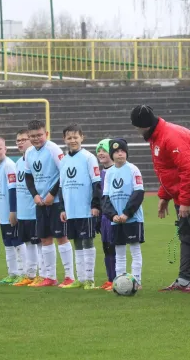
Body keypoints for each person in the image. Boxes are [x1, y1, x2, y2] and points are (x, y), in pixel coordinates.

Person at [130, 105, 190, 293]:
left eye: (137, 127)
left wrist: (186, 201)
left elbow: (188, 171)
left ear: (145, 125)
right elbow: (167, 170)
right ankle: (183, 280)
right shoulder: (157, 135)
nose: (137, 130)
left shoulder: (170, 137)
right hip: (182, 194)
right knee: (186, 236)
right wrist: (164, 196)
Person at [24, 120, 73, 287]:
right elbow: (28, 176)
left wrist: (53, 194)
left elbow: (64, 173)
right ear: (28, 137)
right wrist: (35, 195)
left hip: (56, 202)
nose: (36, 138)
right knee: (45, 238)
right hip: (40, 203)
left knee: (62, 237)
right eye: (32, 136)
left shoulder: (53, 149)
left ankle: (69, 276)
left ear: (46, 134)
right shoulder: (29, 152)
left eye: (39, 135)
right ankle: (50, 277)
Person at [59, 124, 102, 290]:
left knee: (87, 241)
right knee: (76, 242)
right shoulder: (63, 160)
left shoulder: (89, 158)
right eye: (69, 138)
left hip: (86, 209)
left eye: (75, 137)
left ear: (82, 137)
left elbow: (96, 182)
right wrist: (62, 208)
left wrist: (95, 205)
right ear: (65, 140)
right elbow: (62, 186)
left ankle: (90, 279)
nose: (73, 140)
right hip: (70, 210)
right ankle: (80, 278)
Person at [102, 139, 145, 287]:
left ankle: (136, 281)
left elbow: (138, 193)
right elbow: (106, 197)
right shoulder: (109, 173)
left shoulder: (133, 169)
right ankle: (119, 282)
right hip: (116, 219)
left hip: (132, 219)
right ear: (112, 155)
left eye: (123, 151)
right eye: (116, 152)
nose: (120, 154)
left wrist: (127, 213)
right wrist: (112, 215)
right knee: (119, 253)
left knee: (134, 250)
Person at [0, 136, 26, 284]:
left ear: (5, 149)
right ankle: (13, 273)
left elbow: (13, 190)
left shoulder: (9, 166)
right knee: (8, 243)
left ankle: (23, 273)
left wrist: (13, 211)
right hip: (2, 212)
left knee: (17, 242)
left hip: (10, 212)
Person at [13, 129, 41, 286]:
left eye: (24, 139)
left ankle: (43, 274)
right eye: (18, 140)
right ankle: (30, 275)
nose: (20, 143)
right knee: (29, 244)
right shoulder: (17, 163)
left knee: (40, 243)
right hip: (23, 212)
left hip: (35, 210)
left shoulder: (35, 161)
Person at [96, 138, 116, 290]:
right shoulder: (101, 172)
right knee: (106, 248)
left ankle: (117, 279)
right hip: (104, 217)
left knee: (115, 248)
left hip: (114, 216)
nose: (100, 153)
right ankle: (110, 279)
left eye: (104, 150)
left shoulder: (117, 171)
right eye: (99, 150)